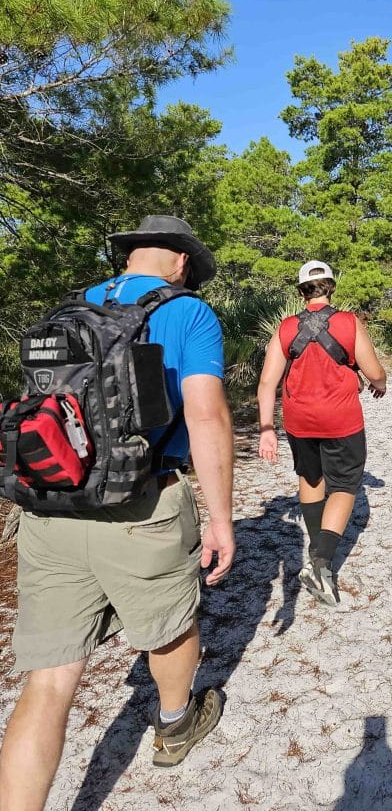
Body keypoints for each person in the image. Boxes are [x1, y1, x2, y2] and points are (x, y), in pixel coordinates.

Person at [0, 215, 235, 808]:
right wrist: (222, 519)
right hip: (142, 505)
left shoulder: (67, 311)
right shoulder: (188, 312)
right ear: (182, 262)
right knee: (169, 625)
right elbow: (205, 416)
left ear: (130, 255)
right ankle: (176, 721)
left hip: (51, 506)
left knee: (50, 680)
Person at [257, 260, 386, 607]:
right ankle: (322, 562)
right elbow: (373, 370)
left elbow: (267, 384)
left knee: (310, 477)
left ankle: (316, 551)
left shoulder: (285, 329)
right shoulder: (348, 323)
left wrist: (267, 428)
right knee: (343, 485)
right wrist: (381, 384)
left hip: (299, 421)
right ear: (331, 287)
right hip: (341, 420)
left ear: (301, 292)